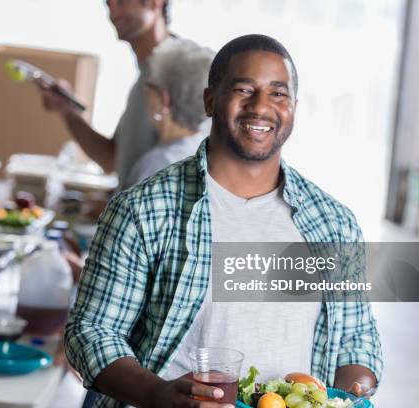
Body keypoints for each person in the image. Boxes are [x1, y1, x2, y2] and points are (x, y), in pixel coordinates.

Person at [64, 35, 383, 408]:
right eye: (244, 89)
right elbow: (91, 332)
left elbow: (357, 338)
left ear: (294, 107)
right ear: (210, 99)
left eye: (278, 94)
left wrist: (351, 390)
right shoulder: (144, 210)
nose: (261, 107)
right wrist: (158, 394)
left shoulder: (334, 224)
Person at [40, 0, 181, 185]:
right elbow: (110, 159)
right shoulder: (146, 75)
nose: (112, 13)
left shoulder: (184, 72)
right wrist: (66, 110)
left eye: (121, 2)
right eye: (108, 4)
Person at [123, 40, 214, 188]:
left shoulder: (157, 166)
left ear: (162, 99)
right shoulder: (206, 157)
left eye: (150, 86)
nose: (145, 93)